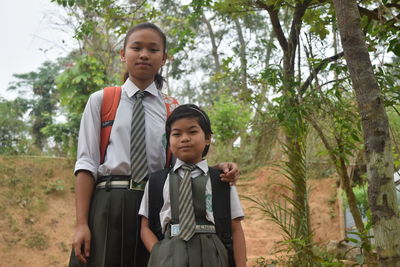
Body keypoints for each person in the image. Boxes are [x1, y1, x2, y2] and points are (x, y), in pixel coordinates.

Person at [69, 22, 239, 267]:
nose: (144, 54)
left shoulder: (171, 108)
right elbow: (86, 164)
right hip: (109, 203)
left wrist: (217, 168)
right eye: (136, 47)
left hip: (158, 204)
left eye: (153, 49)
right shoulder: (102, 100)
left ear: (164, 58)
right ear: (123, 54)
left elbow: (183, 159)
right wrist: (81, 223)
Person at [139, 104, 246, 267]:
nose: (184, 138)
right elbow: (145, 227)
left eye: (192, 131)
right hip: (169, 252)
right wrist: (159, 252)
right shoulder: (156, 181)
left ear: (208, 137)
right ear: (168, 140)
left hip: (213, 253)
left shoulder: (223, 179)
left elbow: (236, 228)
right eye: (176, 134)